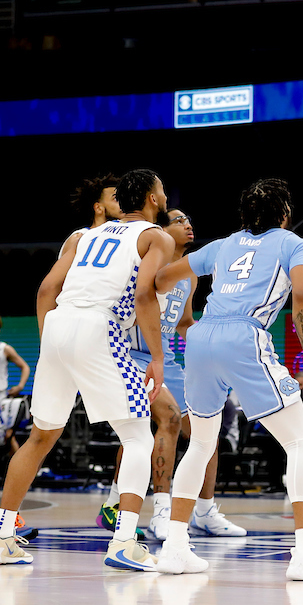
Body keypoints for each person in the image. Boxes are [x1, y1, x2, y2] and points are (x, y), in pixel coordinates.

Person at [154, 178, 303, 581]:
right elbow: (302, 294)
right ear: (285, 215)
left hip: (200, 337)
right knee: (300, 441)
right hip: (243, 335)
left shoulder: (224, 244)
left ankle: (175, 548)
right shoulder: (295, 244)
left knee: (199, 444)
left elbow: (162, 279)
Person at [0, 168, 174, 569]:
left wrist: (53, 343)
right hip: (100, 328)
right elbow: (143, 296)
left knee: (40, 437)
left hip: (57, 325)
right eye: (163, 190)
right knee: (139, 438)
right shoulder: (156, 236)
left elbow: (46, 291)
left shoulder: (81, 235)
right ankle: (124, 542)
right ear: (153, 198)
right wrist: (156, 357)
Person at [100, 208, 246, 541]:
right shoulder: (146, 263)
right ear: (161, 231)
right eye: (178, 221)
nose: (188, 224)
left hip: (167, 361)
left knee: (208, 431)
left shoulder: (190, 275)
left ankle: (205, 511)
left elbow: (183, 323)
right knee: (165, 419)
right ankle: (161, 511)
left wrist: (214, 342)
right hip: (132, 355)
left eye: (189, 220)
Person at [59, 174, 123, 258]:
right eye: (116, 199)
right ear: (98, 208)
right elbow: (62, 271)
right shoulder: (79, 238)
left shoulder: (125, 236)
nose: (124, 203)